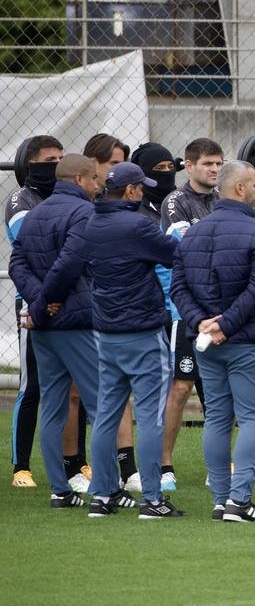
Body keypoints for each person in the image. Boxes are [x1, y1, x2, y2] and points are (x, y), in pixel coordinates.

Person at [47, 163, 182, 517]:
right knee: (150, 416)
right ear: (131, 191)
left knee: (106, 414)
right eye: (141, 187)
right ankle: (152, 499)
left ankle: (103, 496)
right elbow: (175, 254)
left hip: (105, 333)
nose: (143, 192)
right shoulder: (138, 225)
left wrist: (45, 300)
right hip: (142, 332)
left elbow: (69, 266)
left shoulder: (90, 223)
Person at [171, 160, 255, 522]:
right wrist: (226, 325)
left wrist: (202, 322)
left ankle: (221, 499)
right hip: (245, 340)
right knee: (253, 420)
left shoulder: (196, 232)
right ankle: (239, 501)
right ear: (239, 189)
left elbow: (178, 287)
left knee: (217, 418)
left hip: (209, 342)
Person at [9, 154, 109, 509]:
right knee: (102, 405)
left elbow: (16, 261)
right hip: (75, 322)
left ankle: (60, 491)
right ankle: (105, 491)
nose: (99, 185)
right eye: (96, 179)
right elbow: (71, 262)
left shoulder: (36, 212)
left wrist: (38, 304)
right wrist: (46, 301)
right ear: (80, 179)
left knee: (52, 407)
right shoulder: (84, 212)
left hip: (44, 327)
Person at [160, 138, 223, 491]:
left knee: (219, 391)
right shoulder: (175, 201)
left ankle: (218, 464)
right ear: (189, 164)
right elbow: (186, 246)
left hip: (224, 312)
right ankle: (165, 464)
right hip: (186, 311)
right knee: (180, 388)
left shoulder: (223, 199)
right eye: (208, 164)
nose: (214, 169)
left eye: (218, 164)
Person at [83, 134, 140, 492]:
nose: (115, 171)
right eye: (113, 164)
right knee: (113, 403)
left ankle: (108, 486)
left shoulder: (97, 218)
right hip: (121, 323)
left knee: (108, 403)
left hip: (104, 322)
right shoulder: (128, 223)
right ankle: (147, 492)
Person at [5, 135, 63, 489]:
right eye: (48, 160)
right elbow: (34, 243)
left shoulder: (64, 196)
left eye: (60, 159)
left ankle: (77, 464)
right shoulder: (19, 199)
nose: (55, 165)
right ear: (30, 163)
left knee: (72, 389)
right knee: (33, 387)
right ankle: (20, 467)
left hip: (69, 302)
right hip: (33, 303)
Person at [130, 142, 179, 223]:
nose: (168, 171)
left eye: (171, 166)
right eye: (160, 168)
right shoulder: (134, 207)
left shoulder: (182, 200)